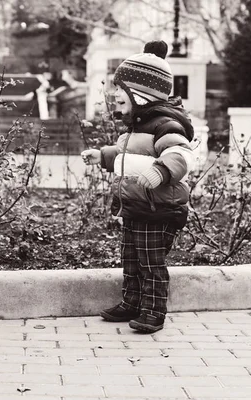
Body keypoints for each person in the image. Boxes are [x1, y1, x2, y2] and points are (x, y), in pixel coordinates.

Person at [81, 40, 194, 333]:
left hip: (157, 207)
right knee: (130, 258)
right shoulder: (137, 125)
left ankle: (154, 311)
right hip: (136, 204)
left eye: (121, 88)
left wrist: (161, 171)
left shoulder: (165, 124)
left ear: (141, 94)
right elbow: (128, 155)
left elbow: (180, 154)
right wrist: (103, 156)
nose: (114, 93)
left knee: (151, 263)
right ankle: (131, 302)